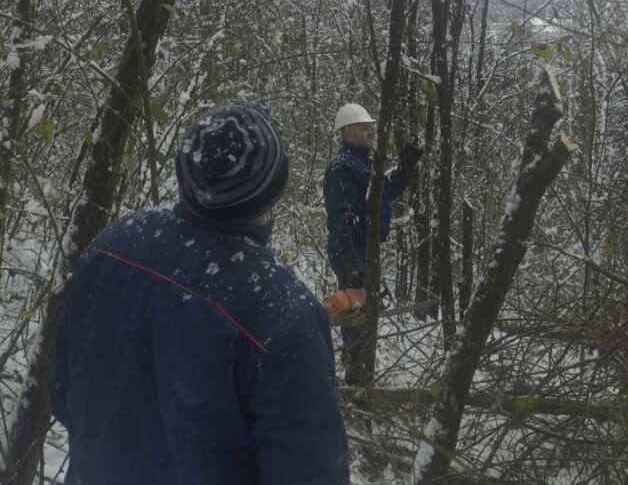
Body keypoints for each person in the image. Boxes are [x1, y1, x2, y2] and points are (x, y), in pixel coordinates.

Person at [52, 102, 349, 484]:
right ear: (275, 186)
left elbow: (63, 394)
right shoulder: (283, 311)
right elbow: (311, 473)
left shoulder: (113, 245)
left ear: (186, 171)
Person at [323, 103, 422, 386]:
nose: (370, 131)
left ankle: (362, 378)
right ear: (347, 132)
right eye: (363, 127)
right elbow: (339, 220)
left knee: (366, 317)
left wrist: (405, 168)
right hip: (351, 252)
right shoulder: (341, 168)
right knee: (355, 318)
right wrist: (351, 263)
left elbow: (385, 190)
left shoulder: (364, 164)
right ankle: (356, 379)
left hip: (366, 250)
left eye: (371, 127)